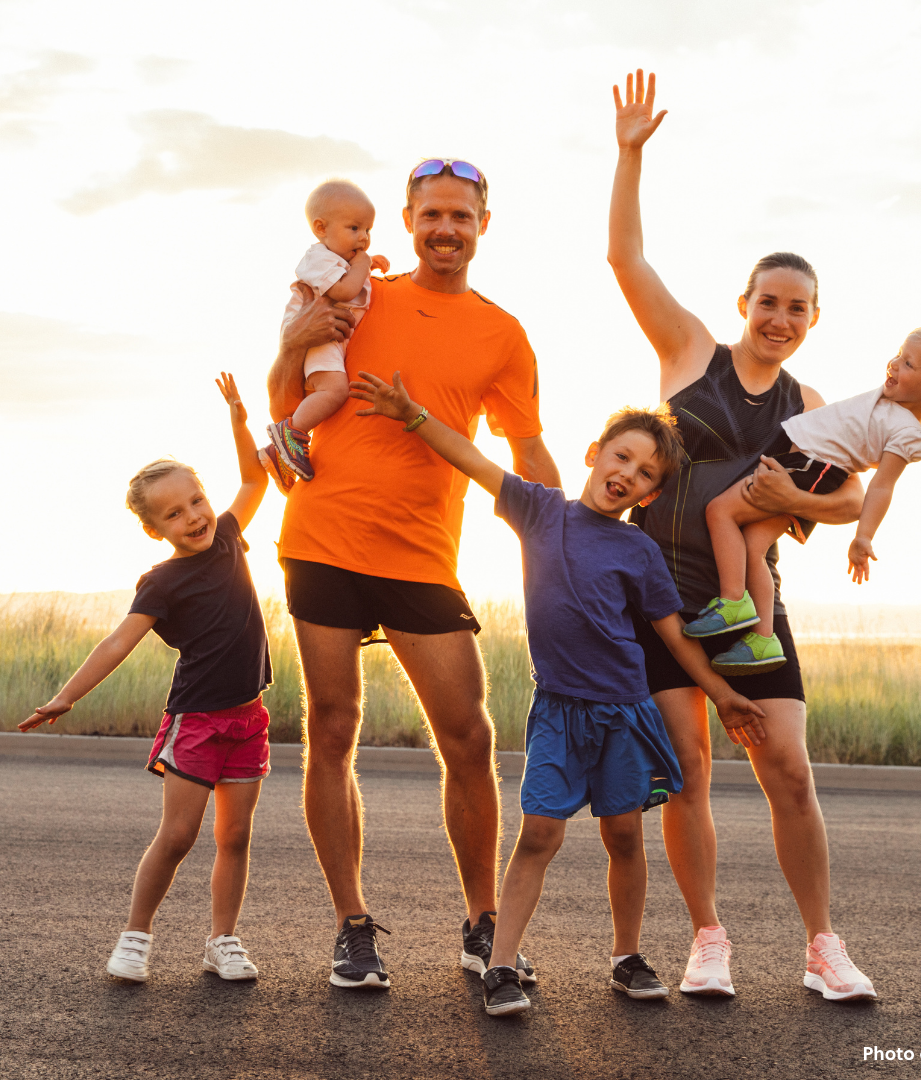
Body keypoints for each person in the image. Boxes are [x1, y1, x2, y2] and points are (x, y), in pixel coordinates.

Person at [608, 70, 921, 1002]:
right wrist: (630, 155)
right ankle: (708, 939)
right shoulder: (688, 352)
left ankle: (822, 948)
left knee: (789, 769)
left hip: (752, 605)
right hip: (660, 593)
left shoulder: (815, 408)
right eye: (768, 300)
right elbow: (625, 261)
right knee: (689, 772)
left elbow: (844, 504)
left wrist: (793, 503)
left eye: (798, 307)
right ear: (744, 303)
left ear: (813, 320)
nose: (780, 317)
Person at [351, 368, 768, 1015]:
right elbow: (473, 459)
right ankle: (499, 966)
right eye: (621, 456)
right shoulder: (541, 512)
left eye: (645, 472)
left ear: (652, 494)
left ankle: (626, 957)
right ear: (594, 456)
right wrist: (412, 413)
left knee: (624, 838)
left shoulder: (638, 551)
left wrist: (719, 692)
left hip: (626, 713)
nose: (628, 473)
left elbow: (674, 637)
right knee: (540, 834)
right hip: (560, 713)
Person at [266, 159, 563, 990]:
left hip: (424, 555)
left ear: (481, 226)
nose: (445, 229)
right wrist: (292, 345)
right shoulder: (361, 295)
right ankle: (352, 926)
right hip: (322, 536)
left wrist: (564, 533)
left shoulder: (502, 332)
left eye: (460, 217)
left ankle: (482, 925)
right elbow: (285, 387)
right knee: (331, 725)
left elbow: (527, 446)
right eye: (431, 214)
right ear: (407, 219)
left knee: (469, 736)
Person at [20, 375, 271, 985]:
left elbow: (255, 478)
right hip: (198, 721)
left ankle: (222, 941)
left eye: (195, 501)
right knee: (180, 834)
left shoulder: (230, 540)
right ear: (153, 528)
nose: (193, 516)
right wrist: (66, 696)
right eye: (173, 513)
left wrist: (239, 419)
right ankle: (136, 936)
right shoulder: (160, 583)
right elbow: (118, 642)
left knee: (234, 837)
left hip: (249, 718)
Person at [685, 321, 921, 674]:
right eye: (899, 355)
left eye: (909, 364)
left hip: (813, 468)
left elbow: (882, 485)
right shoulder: (892, 394)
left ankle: (732, 600)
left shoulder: (907, 432)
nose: (895, 364)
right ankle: (762, 640)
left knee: (720, 511)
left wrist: (863, 536)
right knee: (752, 547)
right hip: (805, 464)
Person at [262, 179, 390, 490]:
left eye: (368, 231)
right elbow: (345, 289)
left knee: (329, 390)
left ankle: (278, 452)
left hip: (328, 336)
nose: (364, 239)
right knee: (335, 390)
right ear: (321, 228)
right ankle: (289, 435)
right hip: (318, 336)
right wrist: (363, 264)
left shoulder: (337, 261)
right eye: (355, 228)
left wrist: (364, 265)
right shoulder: (318, 258)